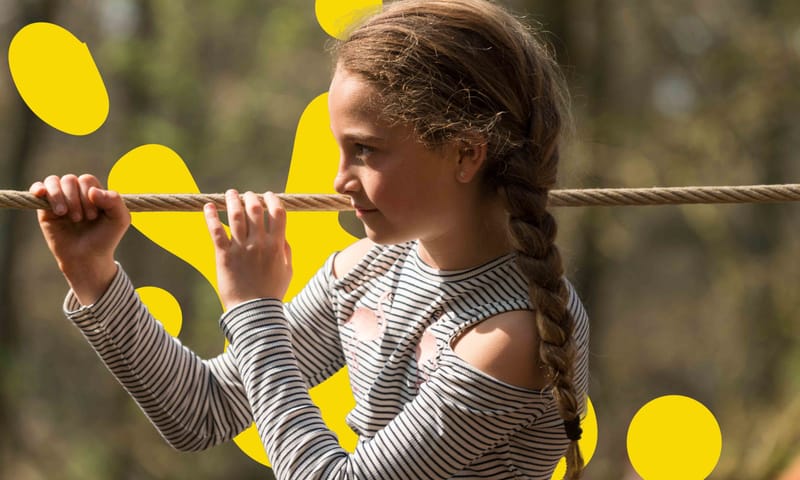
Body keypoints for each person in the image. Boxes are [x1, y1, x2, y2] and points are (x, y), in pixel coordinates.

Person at [30, 0, 590, 478]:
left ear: (467, 152)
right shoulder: (370, 268)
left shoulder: (513, 335)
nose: (339, 182)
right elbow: (200, 412)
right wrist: (93, 274)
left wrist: (254, 308)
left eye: (365, 150)